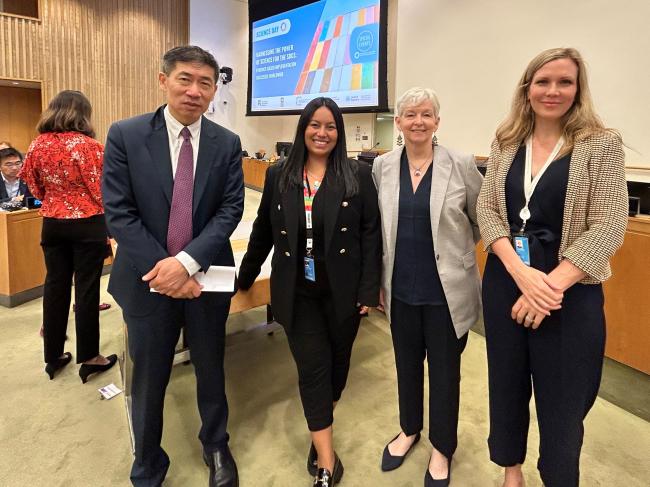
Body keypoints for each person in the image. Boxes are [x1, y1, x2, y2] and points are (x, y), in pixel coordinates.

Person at [476, 48, 628, 487]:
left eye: (565, 82)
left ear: (578, 90)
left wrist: (550, 288)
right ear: (527, 89)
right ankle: (511, 470)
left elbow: (610, 224)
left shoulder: (601, 143)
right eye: (543, 81)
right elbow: (488, 212)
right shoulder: (506, 140)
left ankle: (558, 477)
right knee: (505, 383)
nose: (553, 90)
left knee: (564, 402)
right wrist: (521, 275)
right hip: (508, 281)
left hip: (571, 291)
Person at [102, 45, 244, 487]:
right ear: (162, 80)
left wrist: (184, 264)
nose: (195, 91)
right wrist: (166, 272)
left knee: (210, 365)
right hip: (146, 281)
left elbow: (230, 210)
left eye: (206, 82)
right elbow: (118, 213)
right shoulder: (125, 135)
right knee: (148, 375)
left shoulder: (227, 142)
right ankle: (147, 460)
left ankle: (216, 443)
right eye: (185, 79)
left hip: (205, 278)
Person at [238, 97, 381, 487]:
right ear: (303, 128)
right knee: (313, 371)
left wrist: (368, 290)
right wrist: (244, 278)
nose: (322, 133)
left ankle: (320, 429)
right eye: (315, 125)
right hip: (297, 292)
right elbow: (263, 231)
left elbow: (371, 235)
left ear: (339, 132)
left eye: (331, 126)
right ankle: (326, 460)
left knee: (337, 371)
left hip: (344, 293)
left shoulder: (356, 175)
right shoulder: (279, 174)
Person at [372, 87, 483, 487]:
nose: (418, 121)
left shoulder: (462, 164)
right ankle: (408, 429)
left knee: (445, 374)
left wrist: (453, 257)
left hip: (446, 296)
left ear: (438, 121)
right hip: (399, 291)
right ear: (398, 122)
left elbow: (478, 221)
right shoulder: (382, 166)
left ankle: (442, 447)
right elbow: (380, 230)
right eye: (410, 114)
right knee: (404, 367)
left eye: (426, 114)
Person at [20, 90, 116, 382]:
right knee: (86, 290)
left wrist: (55, 200)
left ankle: (53, 356)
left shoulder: (38, 145)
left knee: (55, 286)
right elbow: (102, 191)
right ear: (83, 114)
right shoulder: (91, 147)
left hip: (52, 223)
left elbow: (33, 188)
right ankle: (89, 358)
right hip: (87, 224)